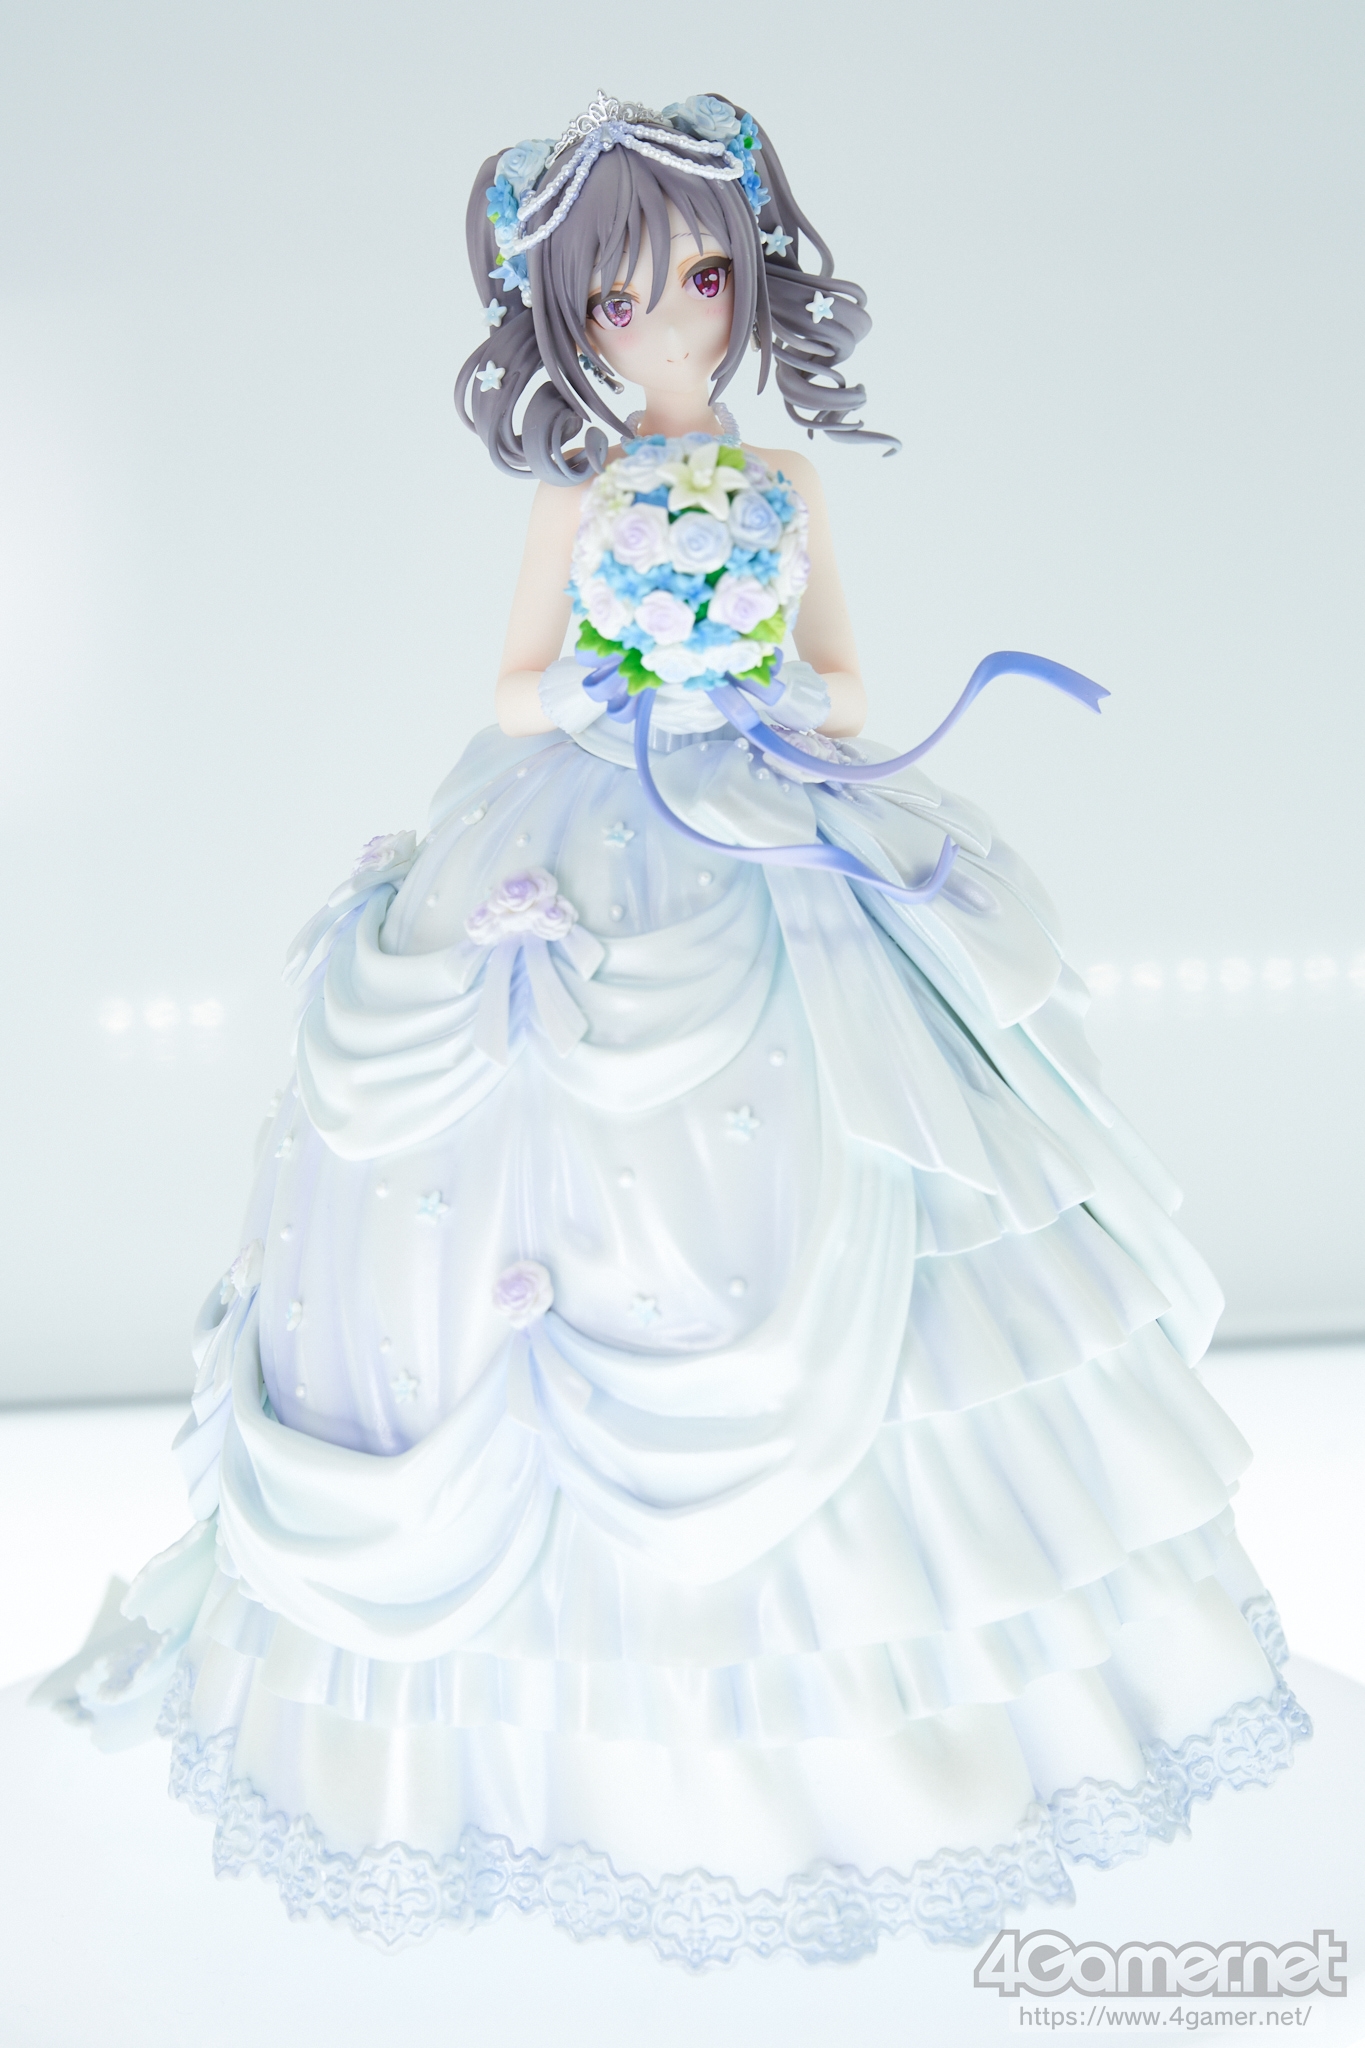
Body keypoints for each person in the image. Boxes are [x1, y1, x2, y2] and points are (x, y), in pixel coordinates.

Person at [41, 91, 1308, 1971]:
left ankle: (922, 1711)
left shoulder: (784, 483)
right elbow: (510, 686)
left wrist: (755, 678)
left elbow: (851, 676)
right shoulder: (575, 499)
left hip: (773, 816)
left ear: (747, 283)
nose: (669, 325)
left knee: (890, 1156)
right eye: (621, 298)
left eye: (700, 280)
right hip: (585, 822)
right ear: (568, 321)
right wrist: (627, 666)